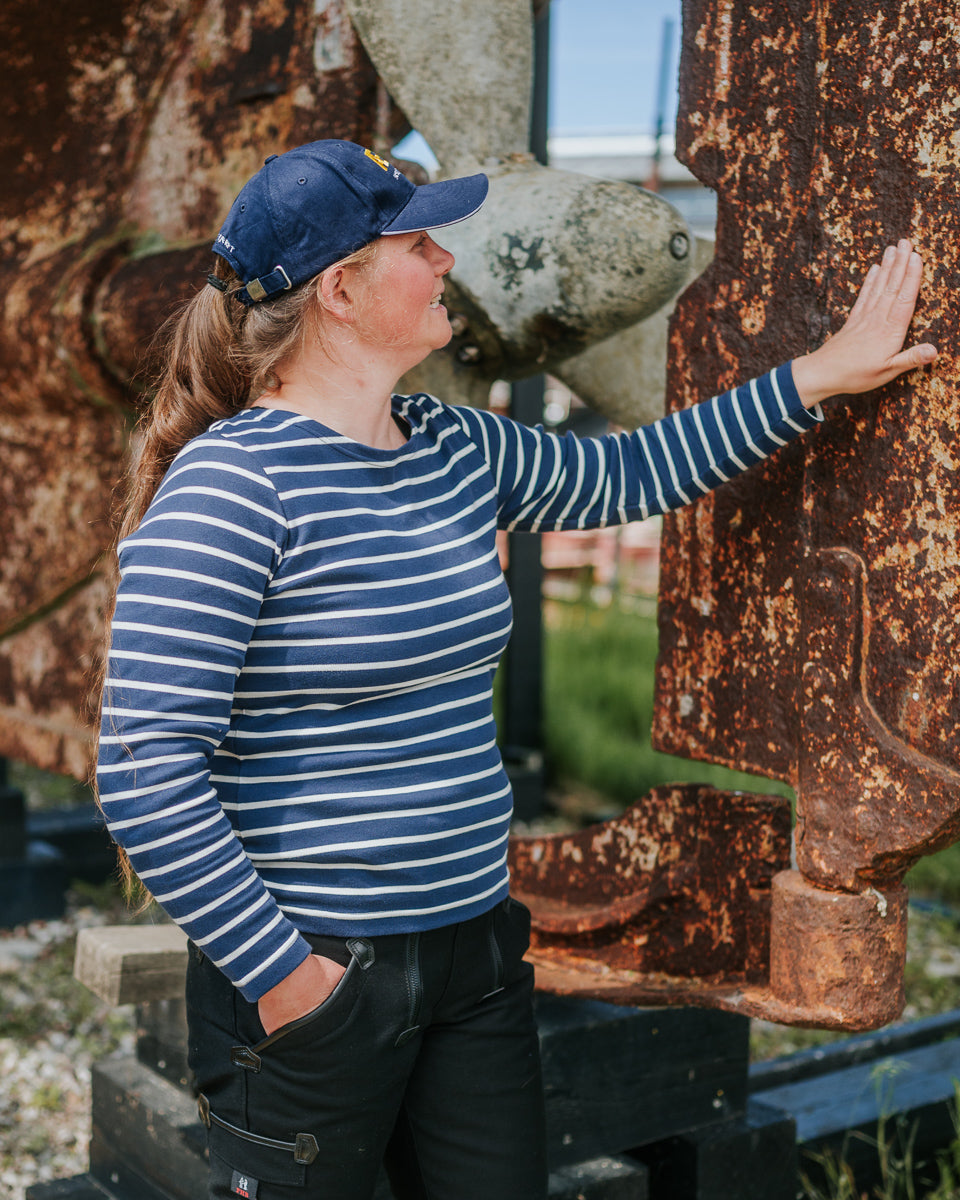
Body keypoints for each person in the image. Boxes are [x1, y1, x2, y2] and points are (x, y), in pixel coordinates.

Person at [95, 139, 937, 1200]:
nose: (447, 259)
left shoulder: (457, 446)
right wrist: (284, 977)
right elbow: (141, 771)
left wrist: (825, 374)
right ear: (342, 291)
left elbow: (632, 470)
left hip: (474, 955)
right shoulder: (232, 490)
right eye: (417, 241)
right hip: (315, 971)